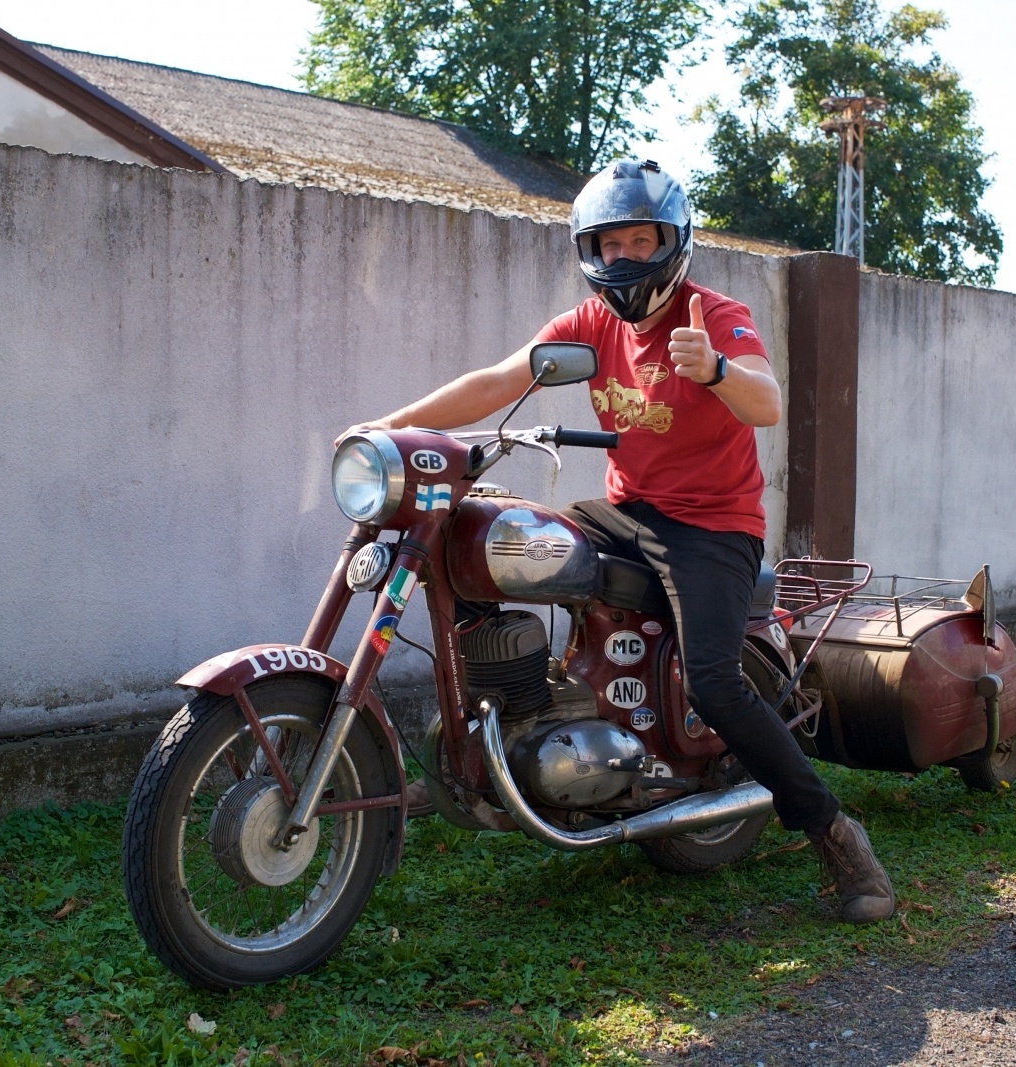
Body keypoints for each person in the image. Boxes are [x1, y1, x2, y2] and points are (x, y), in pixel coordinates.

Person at [342, 159, 894, 923]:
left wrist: (717, 369)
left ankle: (836, 835)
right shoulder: (591, 325)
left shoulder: (714, 313)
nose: (626, 257)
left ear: (674, 242)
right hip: (627, 512)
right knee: (479, 535)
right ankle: (514, 732)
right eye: (611, 243)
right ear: (590, 251)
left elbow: (765, 401)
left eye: (643, 239)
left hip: (713, 526)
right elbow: (498, 380)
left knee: (713, 681)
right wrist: (390, 426)